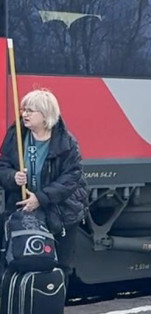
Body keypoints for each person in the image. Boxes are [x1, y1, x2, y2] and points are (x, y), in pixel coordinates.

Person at [0, 89, 87, 287]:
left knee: (60, 265)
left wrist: (40, 198)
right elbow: (2, 166)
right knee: (19, 261)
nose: (25, 114)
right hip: (23, 211)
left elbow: (72, 177)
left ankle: (54, 308)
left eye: (31, 110)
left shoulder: (67, 143)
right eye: (24, 109)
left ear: (46, 114)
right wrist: (12, 176)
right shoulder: (16, 136)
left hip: (61, 212)